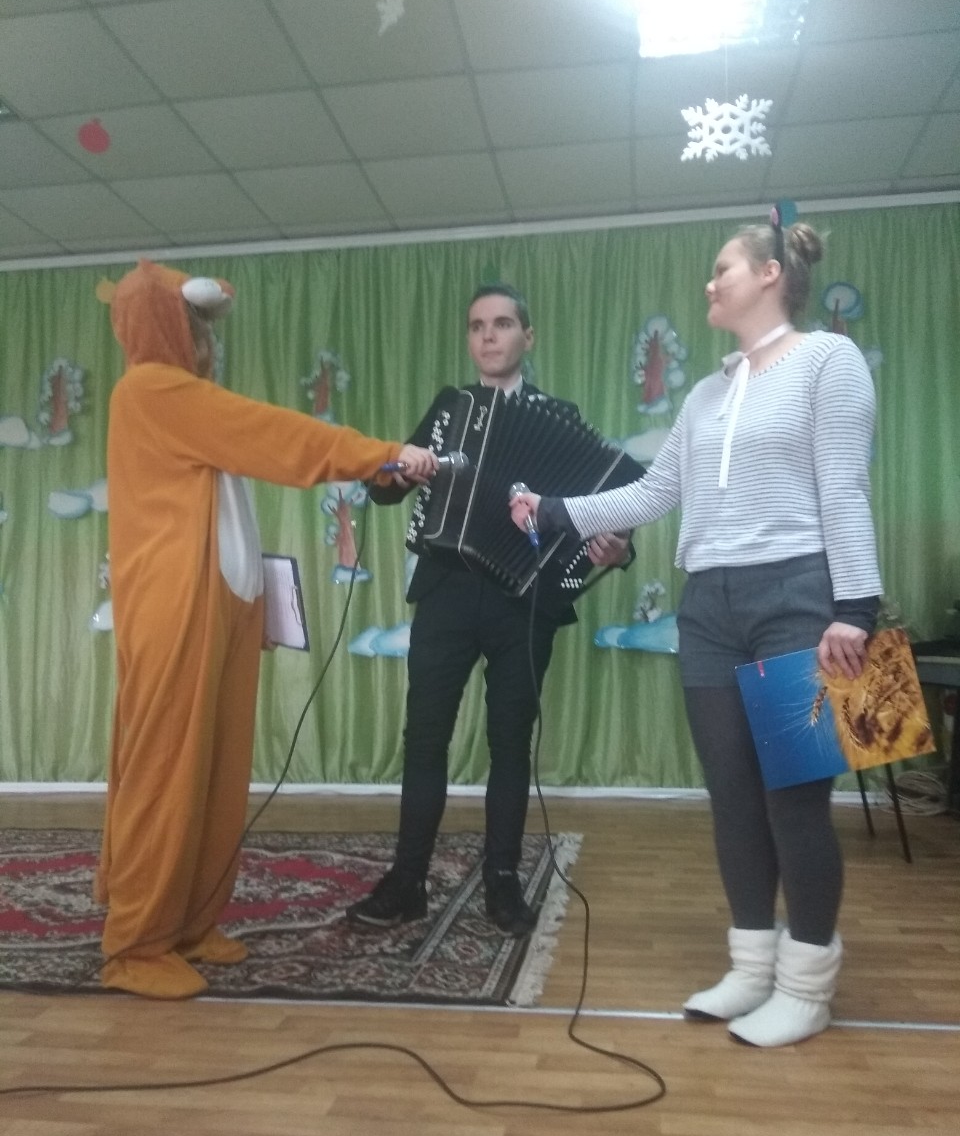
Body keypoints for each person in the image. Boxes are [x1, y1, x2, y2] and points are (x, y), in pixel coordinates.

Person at [510, 219, 883, 1045]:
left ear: (770, 274)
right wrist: (554, 511)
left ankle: (807, 985)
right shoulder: (707, 393)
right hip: (708, 606)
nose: (710, 283)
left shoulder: (829, 360)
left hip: (800, 597)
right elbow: (652, 494)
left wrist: (855, 609)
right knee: (733, 798)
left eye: (724, 269)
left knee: (795, 804)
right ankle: (752, 967)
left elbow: (845, 485)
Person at [97, 258, 436, 1000]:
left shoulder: (182, 399)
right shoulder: (152, 389)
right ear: (166, 328)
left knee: (216, 772)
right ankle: (136, 943)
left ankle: (189, 924)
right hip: (178, 611)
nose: (207, 342)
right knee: (167, 773)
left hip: (220, 603)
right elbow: (276, 435)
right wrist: (379, 455)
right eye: (193, 327)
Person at [346, 283, 631, 937]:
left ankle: (501, 880)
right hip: (446, 588)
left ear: (527, 336)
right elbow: (384, 490)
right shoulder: (451, 408)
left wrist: (616, 549)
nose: (488, 336)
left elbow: (605, 503)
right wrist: (401, 467)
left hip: (524, 602)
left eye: (502, 324)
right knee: (425, 737)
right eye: (477, 326)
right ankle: (407, 881)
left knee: (509, 742)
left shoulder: (561, 418)